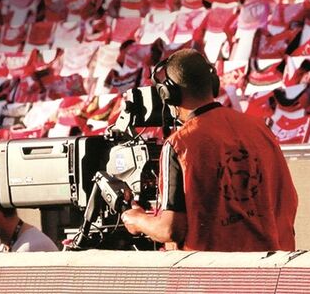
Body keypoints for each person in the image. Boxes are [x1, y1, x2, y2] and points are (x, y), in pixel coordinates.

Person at [121, 49, 298, 251]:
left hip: (210, 275)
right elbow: (289, 200)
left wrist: (137, 220)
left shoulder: (180, 143)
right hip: (270, 268)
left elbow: (171, 229)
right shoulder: (259, 128)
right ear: (212, 84)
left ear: (168, 94)